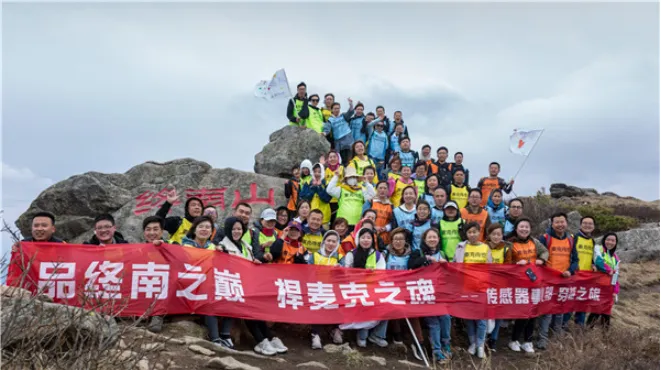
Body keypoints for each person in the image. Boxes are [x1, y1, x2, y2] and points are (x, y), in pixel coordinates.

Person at [211, 217, 262, 349]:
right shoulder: (222, 245)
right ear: (228, 230)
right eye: (233, 229)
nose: (236, 231)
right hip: (227, 282)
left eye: (239, 229)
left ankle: (226, 334)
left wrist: (255, 262)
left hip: (243, 283)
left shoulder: (246, 245)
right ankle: (220, 336)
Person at [505, 218, 548, 354]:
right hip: (518, 283)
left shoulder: (534, 242)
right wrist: (515, 264)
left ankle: (528, 342)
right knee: (523, 312)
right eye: (521, 226)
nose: (524, 229)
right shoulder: (510, 243)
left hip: (534, 282)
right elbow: (505, 261)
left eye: (527, 227)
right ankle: (514, 340)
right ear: (516, 228)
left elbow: (545, 251)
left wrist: (541, 259)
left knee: (533, 312)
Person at [408, 228, 451, 363]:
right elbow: (411, 265)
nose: (432, 240)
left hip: (439, 293)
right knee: (433, 322)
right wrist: (425, 259)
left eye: (435, 237)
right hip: (424, 293)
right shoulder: (417, 252)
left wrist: (446, 265)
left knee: (445, 318)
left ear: (438, 239)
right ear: (424, 240)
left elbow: (449, 274)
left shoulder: (442, 254)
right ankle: (436, 351)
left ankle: (446, 345)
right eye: (429, 237)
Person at [537, 212, 579, 350]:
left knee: (560, 311)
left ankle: (556, 338)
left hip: (564, 280)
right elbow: (538, 257)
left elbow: (575, 260)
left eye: (562, 222)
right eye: (557, 222)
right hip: (547, 281)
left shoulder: (571, 239)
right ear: (552, 223)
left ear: (566, 223)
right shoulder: (544, 238)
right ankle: (542, 339)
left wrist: (570, 271)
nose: (560, 225)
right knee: (547, 312)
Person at [383, 228, 426, 360]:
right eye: (395, 239)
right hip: (390, 289)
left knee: (413, 313)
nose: (398, 242)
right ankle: (397, 335)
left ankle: (420, 343)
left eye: (401, 239)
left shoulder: (412, 254)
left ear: (405, 241)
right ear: (391, 241)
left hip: (408, 289)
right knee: (394, 309)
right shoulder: (385, 254)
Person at [343, 228, 388, 348]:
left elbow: (381, 274)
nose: (366, 240)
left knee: (388, 305)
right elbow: (347, 275)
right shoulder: (351, 254)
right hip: (355, 290)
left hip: (373, 289)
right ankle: (362, 335)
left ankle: (377, 335)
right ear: (358, 239)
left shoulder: (378, 255)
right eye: (363, 237)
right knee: (363, 304)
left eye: (368, 237)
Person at [454, 222, 492, 359]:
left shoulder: (485, 247)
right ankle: (473, 343)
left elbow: (491, 267)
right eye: (469, 232)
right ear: (466, 234)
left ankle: (481, 345)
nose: (472, 234)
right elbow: (454, 266)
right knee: (469, 318)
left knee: (481, 319)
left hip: (481, 288)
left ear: (479, 232)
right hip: (466, 288)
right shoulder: (460, 247)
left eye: (475, 232)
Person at [308, 230, 345, 349]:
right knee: (317, 308)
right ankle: (315, 334)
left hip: (333, 290)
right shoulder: (314, 256)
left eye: (334, 241)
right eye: (328, 240)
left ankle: (336, 330)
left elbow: (345, 276)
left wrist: (340, 270)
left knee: (338, 306)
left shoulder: (340, 257)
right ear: (324, 242)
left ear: (337, 243)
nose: (331, 244)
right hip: (317, 288)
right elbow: (306, 273)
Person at [564, 216, 596, 328]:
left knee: (582, 303)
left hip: (586, 278)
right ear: (580, 224)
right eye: (585, 223)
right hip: (574, 276)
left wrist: (593, 264)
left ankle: (579, 328)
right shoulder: (574, 238)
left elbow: (592, 257)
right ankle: (563, 327)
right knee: (570, 303)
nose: (588, 225)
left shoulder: (592, 241)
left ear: (594, 226)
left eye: (590, 224)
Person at [485, 223, 511, 351]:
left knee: (498, 313)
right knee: (485, 313)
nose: (496, 237)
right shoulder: (482, 247)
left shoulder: (506, 249)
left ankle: (493, 339)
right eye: (494, 234)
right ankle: (484, 337)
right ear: (489, 235)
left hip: (500, 285)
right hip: (484, 285)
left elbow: (509, 267)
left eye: (499, 234)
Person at [587, 232, 620, 329]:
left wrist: (615, 291)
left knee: (606, 312)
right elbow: (599, 262)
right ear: (604, 240)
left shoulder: (615, 257)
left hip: (609, 288)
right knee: (596, 310)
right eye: (608, 239)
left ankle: (605, 336)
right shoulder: (598, 249)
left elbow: (616, 275)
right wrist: (609, 270)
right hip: (598, 286)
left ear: (616, 242)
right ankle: (586, 332)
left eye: (613, 240)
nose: (610, 242)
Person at [143, 216, 168, 333]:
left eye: (155, 229)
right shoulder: (136, 249)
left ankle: (158, 315)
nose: (151, 233)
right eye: (148, 229)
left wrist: (164, 247)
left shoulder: (172, 247)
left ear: (162, 232)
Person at [323, 99, 356, 166]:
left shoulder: (343, 116)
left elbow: (350, 112)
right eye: (335, 108)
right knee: (341, 160)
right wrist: (324, 133)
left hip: (348, 140)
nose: (337, 110)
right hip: (339, 142)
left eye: (338, 108)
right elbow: (327, 129)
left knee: (350, 159)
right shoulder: (330, 119)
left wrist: (351, 104)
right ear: (332, 110)